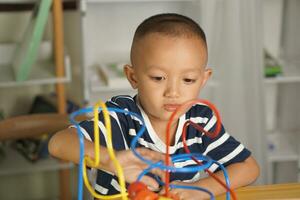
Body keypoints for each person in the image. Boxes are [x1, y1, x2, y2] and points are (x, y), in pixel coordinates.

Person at [48, 13, 259, 199]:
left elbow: (248, 167)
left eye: (188, 80)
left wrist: (202, 188)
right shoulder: (120, 117)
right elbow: (58, 143)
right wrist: (109, 160)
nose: (173, 92)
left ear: (203, 80)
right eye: (158, 78)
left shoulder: (200, 120)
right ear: (133, 77)